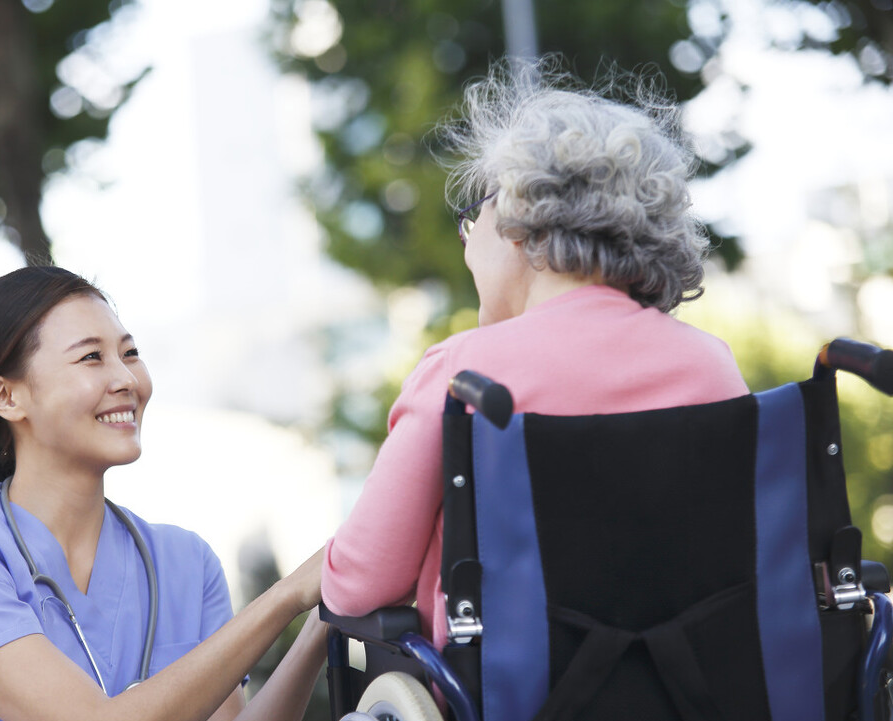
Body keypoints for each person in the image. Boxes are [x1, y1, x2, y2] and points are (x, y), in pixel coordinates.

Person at [321, 62, 751, 652]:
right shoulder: (712, 368)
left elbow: (355, 585)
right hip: (701, 713)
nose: (470, 241)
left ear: (521, 218)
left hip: (512, 718)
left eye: (478, 217)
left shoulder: (463, 376)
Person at [0, 266, 326, 721]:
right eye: (92, 357)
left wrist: (323, 615)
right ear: (7, 397)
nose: (127, 379)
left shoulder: (185, 563)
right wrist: (284, 597)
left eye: (130, 353)